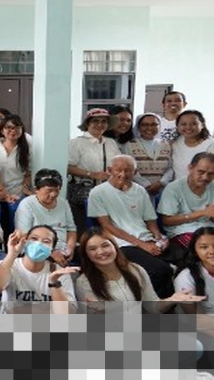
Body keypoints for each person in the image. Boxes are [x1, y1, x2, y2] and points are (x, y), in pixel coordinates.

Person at [87, 154, 175, 298]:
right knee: (161, 270)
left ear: (135, 172)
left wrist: (159, 237)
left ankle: (167, 305)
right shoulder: (98, 192)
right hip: (122, 243)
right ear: (109, 170)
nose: (123, 174)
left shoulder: (140, 190)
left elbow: (150, 220)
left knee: (183, 262)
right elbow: (107, 226)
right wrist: (142, 245)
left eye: (128, 170)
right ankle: (152, 307)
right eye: (118, 170)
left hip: (147, 239)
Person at [77, 227, 203, 314]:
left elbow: (153, 307)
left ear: (115, 246)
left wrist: (172, 299)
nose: (100, 252)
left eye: (105, 246)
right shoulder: (84, 283)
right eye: (92, 249)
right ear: (86, 254)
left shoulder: (135, 269)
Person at [0, 226, 79, 314]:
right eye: (34, 239)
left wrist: (54, 282)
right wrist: (12, 254)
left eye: (46, 241)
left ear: (52, 249)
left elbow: (67, 314)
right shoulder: (8, 264)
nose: (39, 244)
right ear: (25, 241)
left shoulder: (59, 272)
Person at [67, 108, 121, 236]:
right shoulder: (76, 143)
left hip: (108, 190)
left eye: (104, 121)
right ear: (88, 124)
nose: (100, 124)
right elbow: (68, 167)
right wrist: (91, 174)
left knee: (106, 227)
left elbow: (118, 162)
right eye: (95, 121)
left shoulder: (111, 143)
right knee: (86, 229)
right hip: (83, 191)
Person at [15, 169, 77, 265]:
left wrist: (70, 248)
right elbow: (23, 235)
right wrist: (50, 253)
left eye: (57, 190)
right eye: (49, 190)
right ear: (36, 189)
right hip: (37, 249)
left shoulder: (63, 203)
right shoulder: (27, 204)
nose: (53, 194)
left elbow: (71, 230)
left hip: (62, 249)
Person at [158, 152, 214, 257]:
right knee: (204, 251)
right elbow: (166, 221)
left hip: (209, 229)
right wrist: (201, 213)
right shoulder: (174, 188)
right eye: (201, 172)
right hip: (182, 231)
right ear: (190, 168)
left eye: (211, 174)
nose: (205, 177)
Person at [122, 113, 173, 197]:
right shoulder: (129, 145)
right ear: (138, 127)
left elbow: (170, 168)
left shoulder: (166, 145)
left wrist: (161, 183)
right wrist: (146, 185)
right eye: (145, 125)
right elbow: (129, 169)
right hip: (138, 191)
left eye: (154, 124)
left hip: (162, 190)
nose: (149, 128)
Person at [174, 227, 214, 314]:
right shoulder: (185, 278)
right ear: (195, 251)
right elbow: (194, 318)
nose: (211, 251)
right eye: (204, 247)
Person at [0, 115, 32, 199]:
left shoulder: (26, 148)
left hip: (18, 194)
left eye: (17, 127)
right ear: (2, 130)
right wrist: (4, 195)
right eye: (8, 127)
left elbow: (28, 173)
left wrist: (25, 188)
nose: (13, 130)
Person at [171, 110, 214, 180]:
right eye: (183, 124)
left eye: (194, 124)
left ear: (202, 125)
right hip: (178, 186)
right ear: (177, 126)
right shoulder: (176, 143)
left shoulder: (211, 145)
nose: (188, 127)